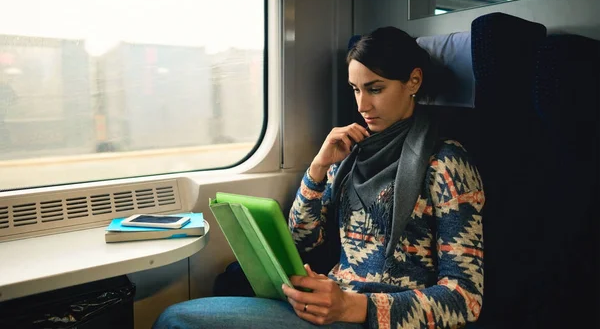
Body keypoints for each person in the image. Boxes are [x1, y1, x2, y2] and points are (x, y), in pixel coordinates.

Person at [153, 27, 484, 328]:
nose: (362, 105)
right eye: (355, 90)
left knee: (178, 320)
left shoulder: (446, 163)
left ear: (413, 81)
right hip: (330, 303)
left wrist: (355, 307)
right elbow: (302, 241)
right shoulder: (352, 154)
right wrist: (317, 169)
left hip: (375, 318)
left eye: (375, 89)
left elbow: (465, 298)